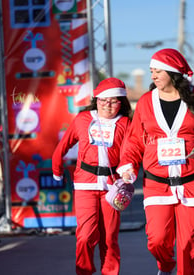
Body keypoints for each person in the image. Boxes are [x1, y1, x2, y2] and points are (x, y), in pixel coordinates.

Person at [117, 48, 194, 275]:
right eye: (151, 71)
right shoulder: (146, 102)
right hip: (157, 183)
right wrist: (128, 165)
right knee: (156, 240)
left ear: (173, 72)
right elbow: (134, 140)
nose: (153, 76)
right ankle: (165, 266)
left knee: (188, 245)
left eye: (158, 71)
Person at [52, 78, 132, 275]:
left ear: (121, 102)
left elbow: (131, 153)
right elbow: (63, 146)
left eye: (114, 101)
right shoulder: (83, 119)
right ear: (96, 99)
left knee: (109, 238)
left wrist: (130, 171)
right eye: (103, 100)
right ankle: (84, 272)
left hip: (112, 187)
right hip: (85, 185)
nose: (108, 105)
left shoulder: (125, 123)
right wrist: (57, 168)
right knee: (86, 236)